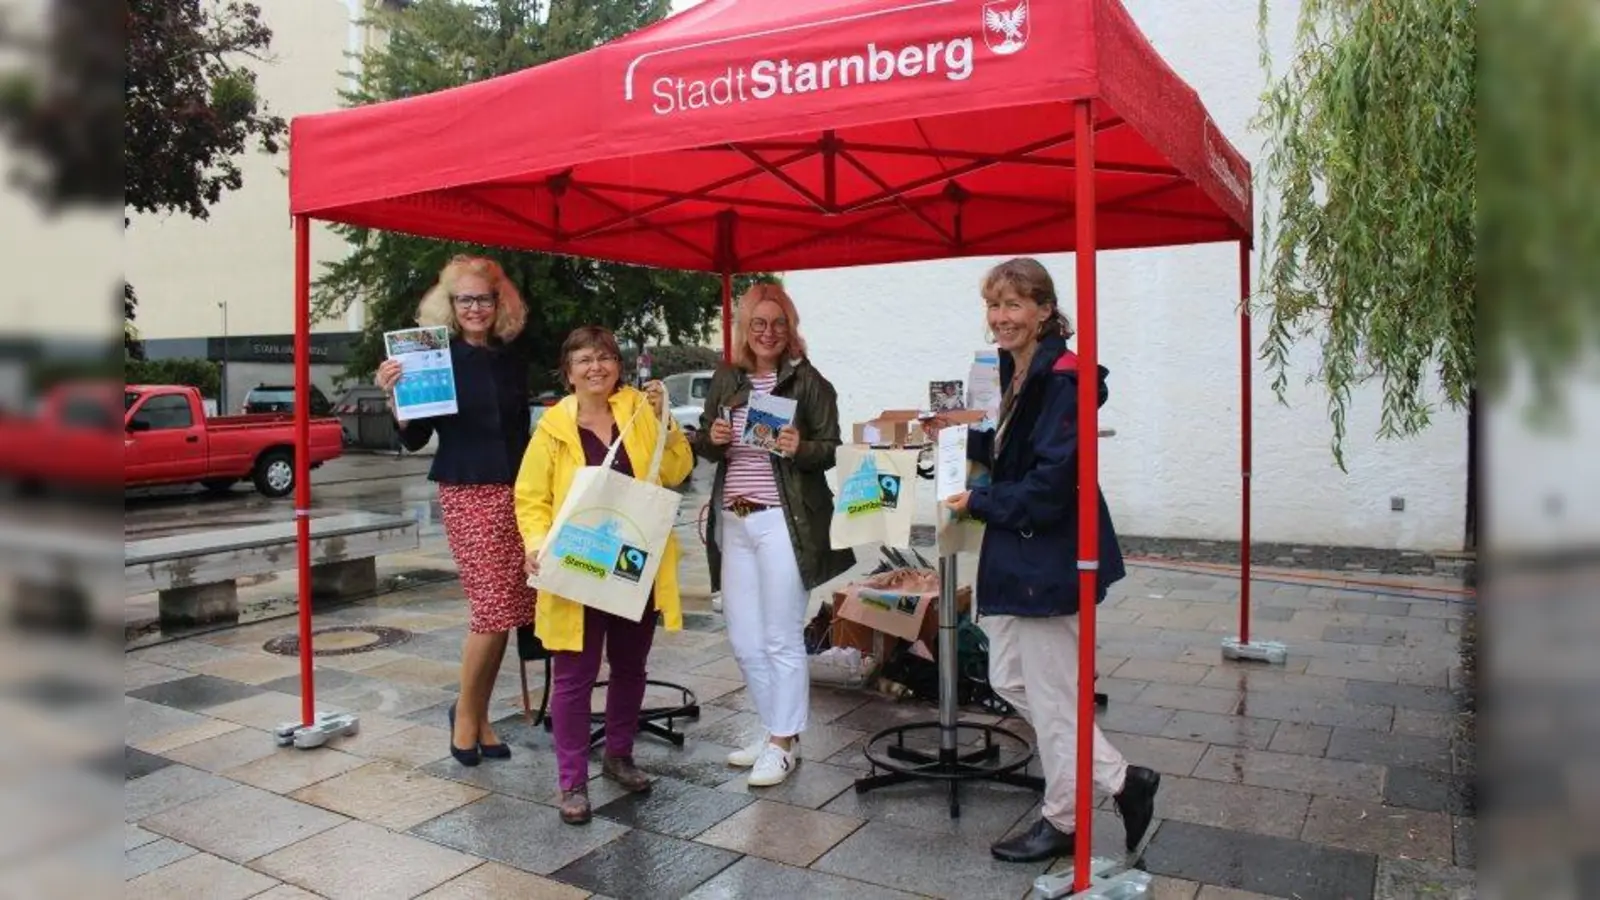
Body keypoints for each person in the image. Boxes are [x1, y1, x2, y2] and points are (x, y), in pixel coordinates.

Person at [934, 257, 1159, 863]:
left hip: (1052, 557)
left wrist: (978, 500)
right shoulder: (1017, 369)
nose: (1001, 318)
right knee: (1011, 679)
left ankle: (1063, 819)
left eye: (1012, 305)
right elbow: (1016, 450)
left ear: (1042, 310)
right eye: (993, 305)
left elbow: (1051, 485)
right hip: (1023, 557)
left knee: (1054, 696)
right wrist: (965, 438)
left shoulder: (1062, 377)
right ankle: (1120, 779)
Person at [514, 325, 693, 825]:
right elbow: (531, 499)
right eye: (585, 360)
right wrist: (535, 545)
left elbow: (677, 469)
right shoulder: (551, 428)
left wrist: (666, 420)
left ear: (618, 364)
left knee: (631, 665)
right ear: (568, 371)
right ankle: (572, 781)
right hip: (579, 563)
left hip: (634, 564)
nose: (597, 367)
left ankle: (618, 754)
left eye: (606, 358)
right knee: (575, 675)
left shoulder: (639, 408)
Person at [374, 255, 535, 768]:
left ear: (499, 303)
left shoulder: (511, 358)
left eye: (483, 298)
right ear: (449, 305)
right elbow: (416, 435)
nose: (474, 308)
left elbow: (522, 432)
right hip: (468, 490)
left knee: (507, 612)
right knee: (490, 611)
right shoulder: (432, 359)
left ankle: (480, 715)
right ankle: (464, 716)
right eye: (463, 299)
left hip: (517, 492)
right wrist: (395, 396)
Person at [693, 282, 855, 788]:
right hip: (734, 517)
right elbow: (706, 440)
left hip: (784, 519)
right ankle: (774, 730)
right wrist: (712, 440)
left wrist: (798, 445)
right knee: (743, 637)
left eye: (778, 323)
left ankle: (783, 742)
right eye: (758, 324)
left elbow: (830, 449)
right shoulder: (728, 377)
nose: (767, 333)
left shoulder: (809, 383)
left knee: (781, 634)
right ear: (745, 328)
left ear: (791, 330)